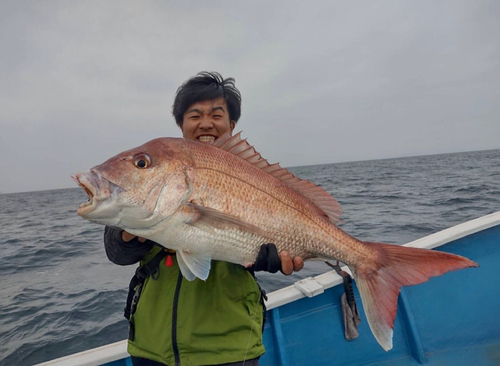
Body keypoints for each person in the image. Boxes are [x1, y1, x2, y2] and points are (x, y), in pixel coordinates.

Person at [104, 71, 304, 366]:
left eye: (216, 114)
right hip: (152, 346)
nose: (206, 123)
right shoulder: (159, 174)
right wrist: (127, 235)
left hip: (228, 347)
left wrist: (268, 258)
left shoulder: (258, 179)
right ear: (181, 125)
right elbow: (116, 252)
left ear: (231, 124)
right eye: (195, 115)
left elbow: (278, 234)